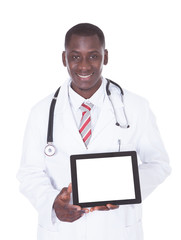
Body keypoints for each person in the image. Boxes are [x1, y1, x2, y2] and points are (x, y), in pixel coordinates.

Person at [17, 23, 171, 240]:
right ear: (64, 59)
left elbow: (158, 164)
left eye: (93, 56)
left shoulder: (136, 107)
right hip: (63, 232)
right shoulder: (41, 112)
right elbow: (29, 173)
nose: (84, 67)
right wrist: (53, 203)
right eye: (75, 56)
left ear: (105, 56)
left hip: (117, 229)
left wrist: (125, 191)